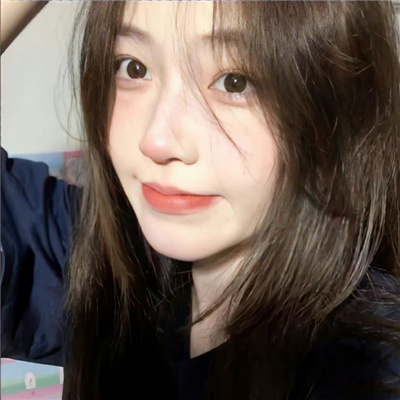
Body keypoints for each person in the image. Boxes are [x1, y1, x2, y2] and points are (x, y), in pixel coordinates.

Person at [2, 1, 400, 399]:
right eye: (134, 68)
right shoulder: (101, 259)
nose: (156, 141)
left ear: (339, 116)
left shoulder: (370, 368)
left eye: (234, 82)